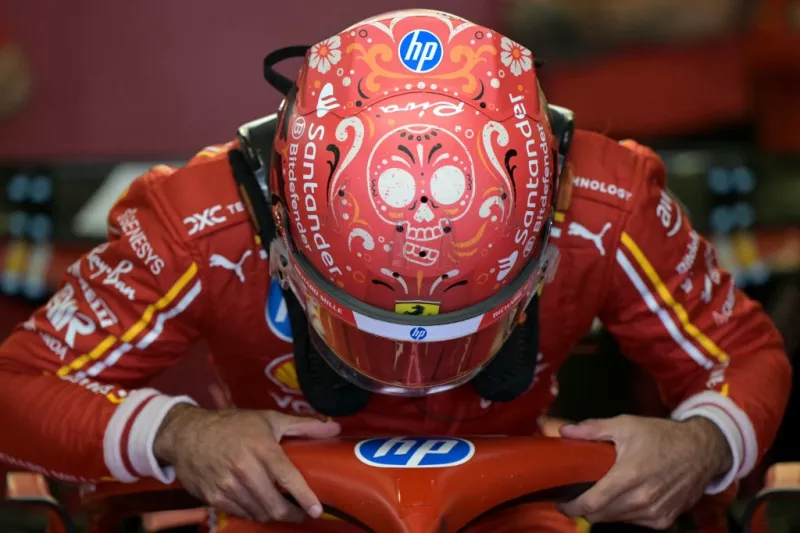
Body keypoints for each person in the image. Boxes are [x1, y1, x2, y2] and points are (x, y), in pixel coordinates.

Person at [0, 9, 791, 533]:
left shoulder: (603, 198)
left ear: (545, 250)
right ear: (282, 246)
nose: (414, 377)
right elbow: (18, 385)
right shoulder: (202, 217)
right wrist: (180, 434)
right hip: (280, 509)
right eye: (370, 331)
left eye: (458, 336)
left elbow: (745, 354)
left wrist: (701, 445)